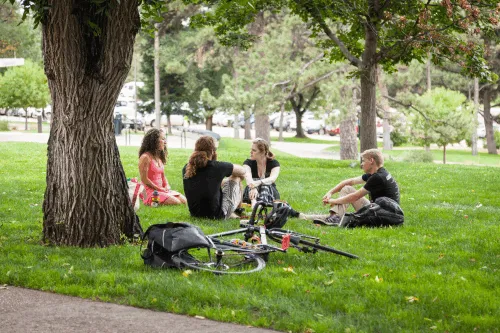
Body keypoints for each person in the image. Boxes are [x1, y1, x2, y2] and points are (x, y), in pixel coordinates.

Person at [311, 148, 400, 225]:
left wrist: (332, 200)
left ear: (371, 160)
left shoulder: (378, 177)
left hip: (385, 215)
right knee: (347, 188)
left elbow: (355, 197)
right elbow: (350, 181)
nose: (362, 164)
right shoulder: (377, 173)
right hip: (378, 209)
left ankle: (335, 218)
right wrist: (330, 192)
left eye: (364, 161)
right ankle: (335, 217)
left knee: (349, 193)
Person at [182, 135, 245, 219]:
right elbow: (242, 171)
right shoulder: (217, 167)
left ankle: (232, 212)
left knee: (225, 181)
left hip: (195, 214)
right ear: (212, 151)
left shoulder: (186, 168)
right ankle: (238, 210)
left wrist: (222, 180)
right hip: (216, 215)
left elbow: (205, 182)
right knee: (236, 177)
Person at [138, 128, 187, 206]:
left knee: (184, 200)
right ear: (154, 141)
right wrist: (159, 189)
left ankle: (163, 196)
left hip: (161, 189)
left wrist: (166, 185)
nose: (165, 142)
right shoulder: (145, 157)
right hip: (149, 191)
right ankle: (145, 198)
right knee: (176, 202)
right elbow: (144, 179)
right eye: (163, 139)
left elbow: (163, 175)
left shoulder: (159, 157)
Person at [242, 138, 281, 207]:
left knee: (265, 184)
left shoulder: (274, 163)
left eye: (254, 150)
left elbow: (272, 179)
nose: (250, 152)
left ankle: (259, 203)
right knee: (252, 183)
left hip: (269, 193)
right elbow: (248, 178)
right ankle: (255, 203)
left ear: (263, 152)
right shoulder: (248, 163)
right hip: (251, 192)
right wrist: (253, 188)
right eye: (251, 150)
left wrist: (258, 183)